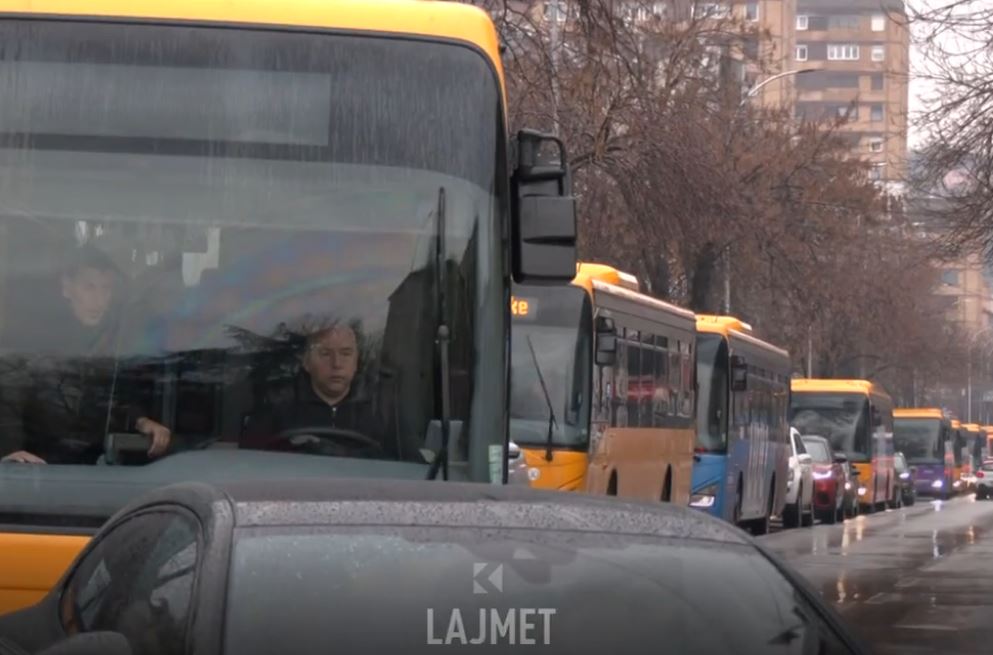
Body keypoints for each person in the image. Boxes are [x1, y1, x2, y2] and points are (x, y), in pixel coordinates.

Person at [0, 246, 171, 464]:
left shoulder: (117, 341)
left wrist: (141, 421)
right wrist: (10, 451)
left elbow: (111, 400)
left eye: (106, 289)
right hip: (36, 466)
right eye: (89, 287)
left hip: (95, 468)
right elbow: (10, 396)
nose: (99, 300)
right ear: (67, 288)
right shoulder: (35, 339)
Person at [242, 321, 384, 457]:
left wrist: (340, 452)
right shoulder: (277, 406)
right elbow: (250, 460)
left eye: (346, 353)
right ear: (306, 362)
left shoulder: (377, 408)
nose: (337, 364)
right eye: (325, 353)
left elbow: (389, 459)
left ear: (356, 362)